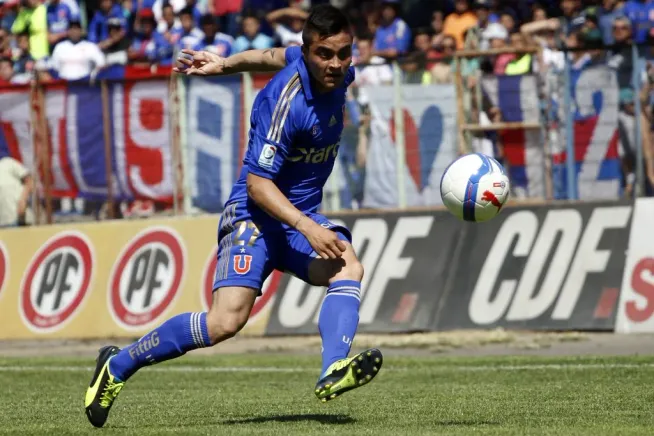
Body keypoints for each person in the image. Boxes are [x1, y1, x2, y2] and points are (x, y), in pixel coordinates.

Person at [84, 4, 383, 429]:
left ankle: (333, 369)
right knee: (225, 322)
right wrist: (307, 225)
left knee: (347, 265)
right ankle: (117, 364)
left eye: (344, 53)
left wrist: (224, 63)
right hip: (255, 215)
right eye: (325, 55)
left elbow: (268, 55)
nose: (336, 64)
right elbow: (260, 186)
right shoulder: (284, 102)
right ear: (310, 50)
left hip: (297, 217)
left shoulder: (331, 69)